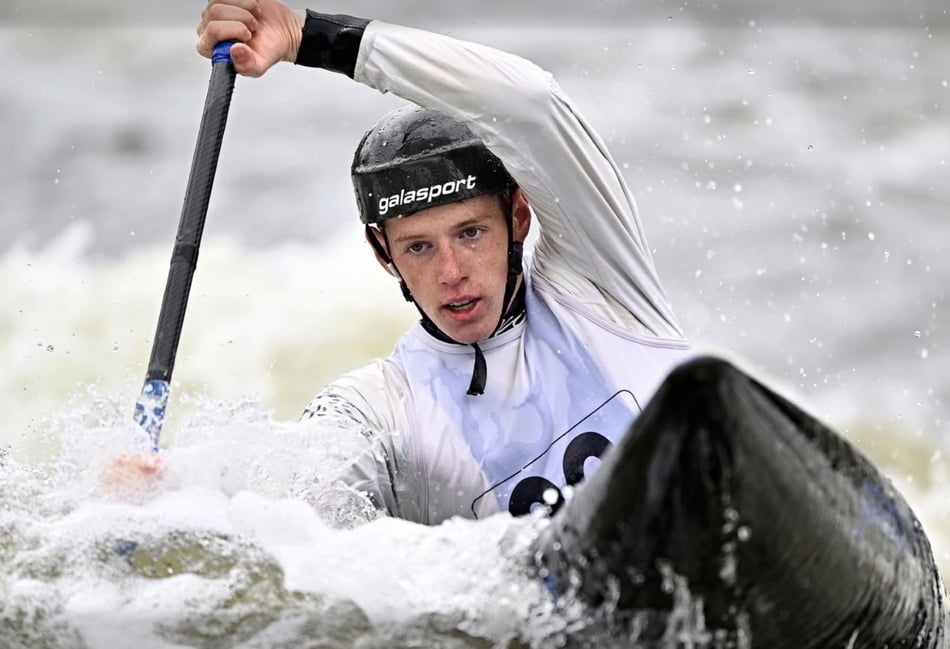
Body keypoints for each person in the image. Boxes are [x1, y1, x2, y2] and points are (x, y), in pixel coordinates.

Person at [196, 0, 692, 525]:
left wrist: (306, 36)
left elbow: (528, 101)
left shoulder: (603, 284)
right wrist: (161, 500)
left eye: (471, 232)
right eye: (418, 246)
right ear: (382, 252)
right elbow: (287, 515)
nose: (452, 272)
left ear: (519, 218)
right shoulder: (382, 407)